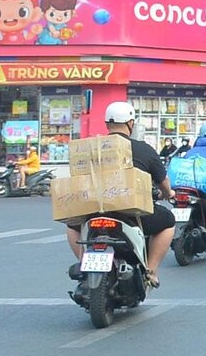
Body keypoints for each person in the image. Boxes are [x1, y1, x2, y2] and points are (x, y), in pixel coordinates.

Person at [67, 102, 175, 288]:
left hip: (94, 210)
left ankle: (85, 263)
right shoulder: (144, 149)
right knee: (168, 221)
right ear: (130, 123)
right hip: (131, 213)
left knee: (71, 224)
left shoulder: (91, 147)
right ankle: (151, 271)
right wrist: (168, 193)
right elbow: (163, 181)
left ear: (107, 124)